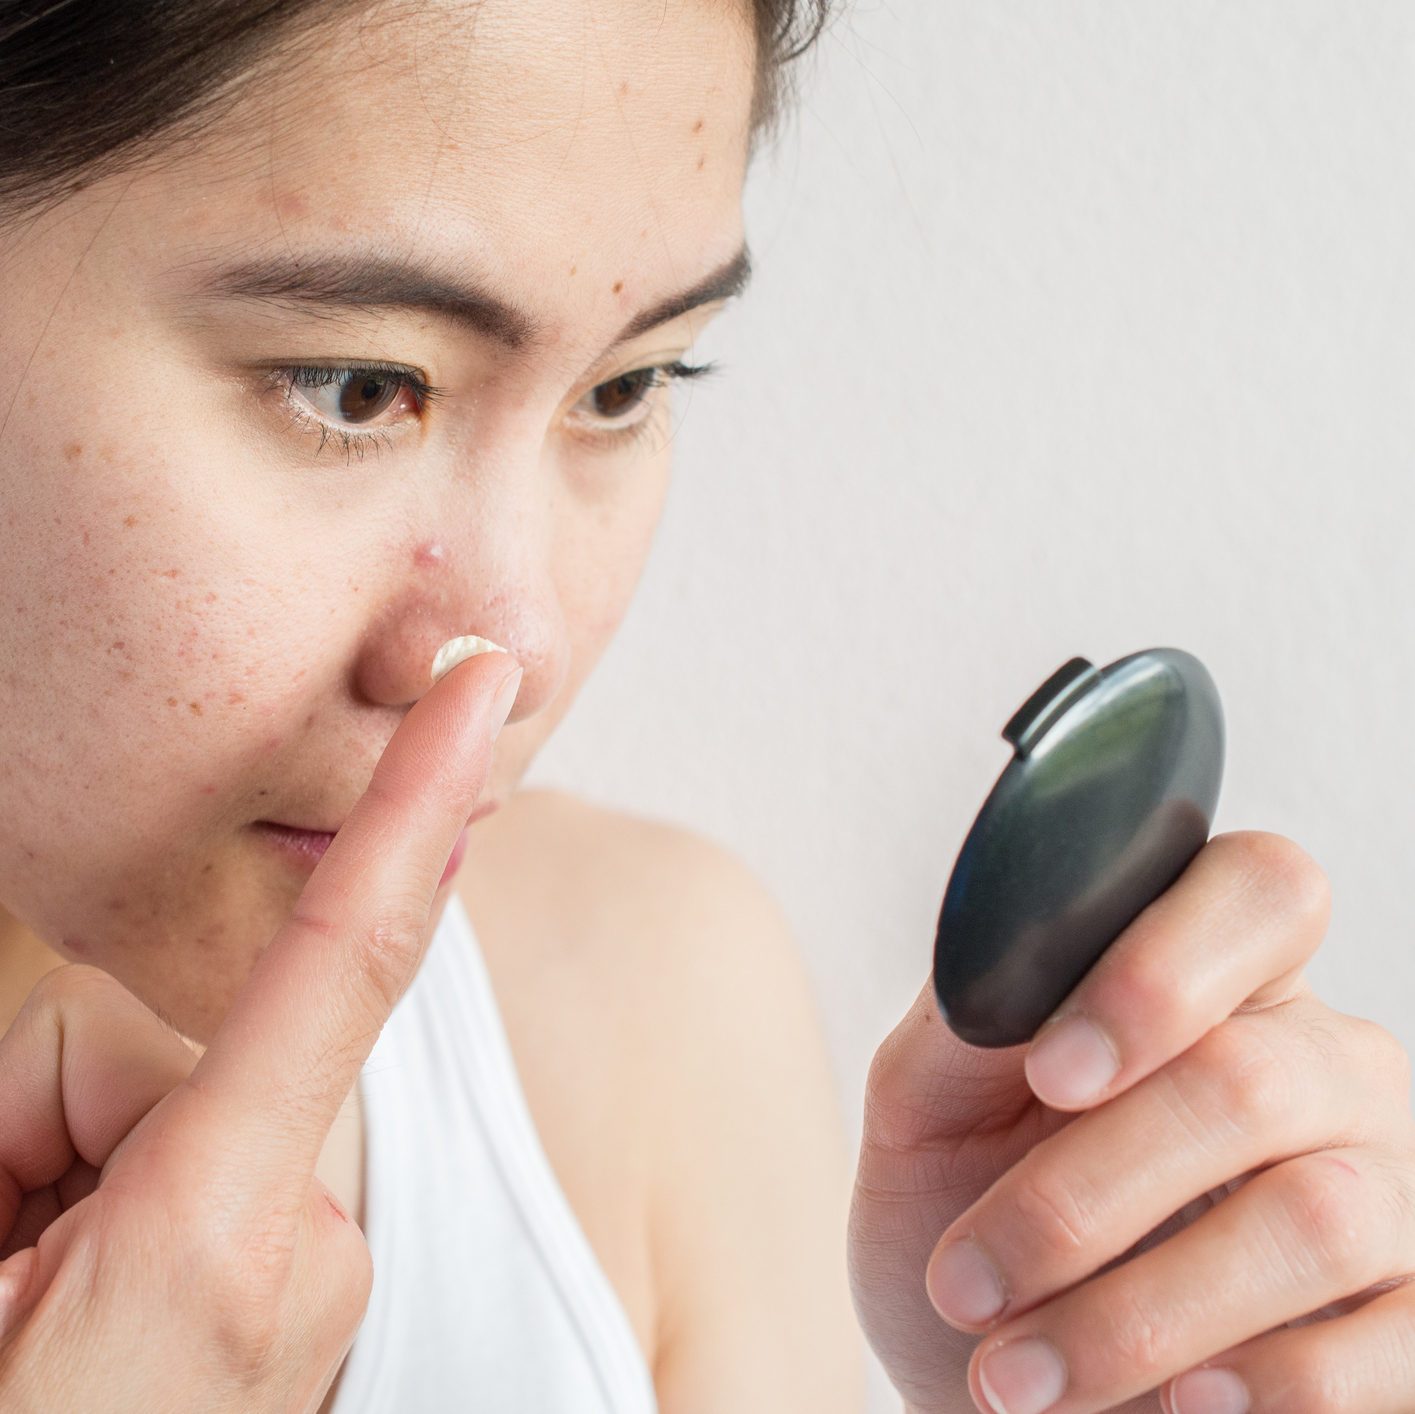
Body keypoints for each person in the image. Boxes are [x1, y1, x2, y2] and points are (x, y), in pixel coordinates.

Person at [4, 4, 1414, 1413]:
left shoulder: (646, 1024)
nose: (519, 652)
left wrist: (1030, 1378)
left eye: (627, 385)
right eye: (358, 385)